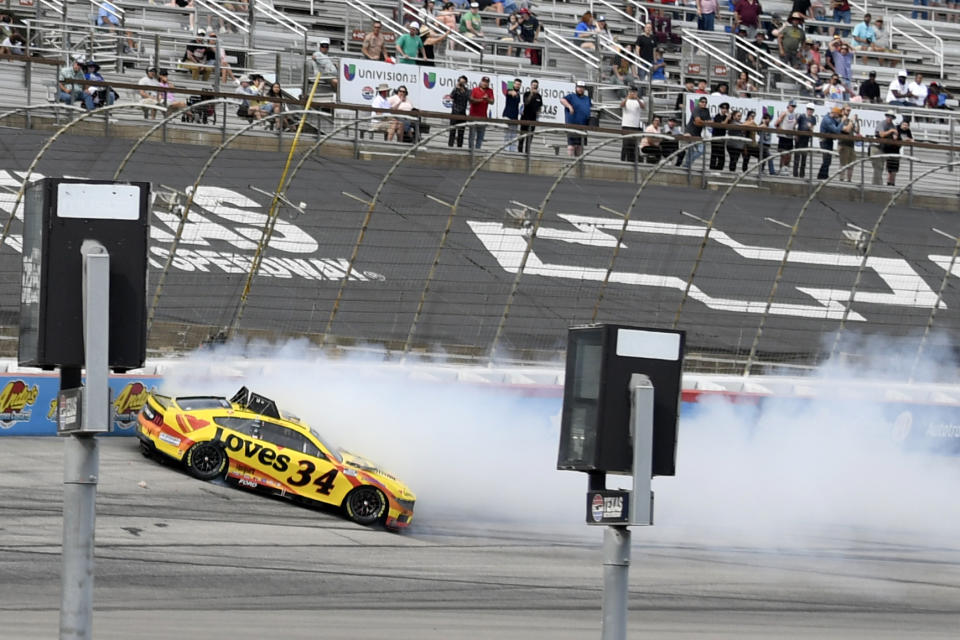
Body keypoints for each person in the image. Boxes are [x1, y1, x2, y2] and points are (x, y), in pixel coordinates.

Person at [560, 80, 592, 156]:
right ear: (576, 88)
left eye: (582, 87)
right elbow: (562, 100)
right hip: (572, 126)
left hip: (583, 126)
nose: (580, 89)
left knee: (580, 147)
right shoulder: (571, 96)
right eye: (579, 87)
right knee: (571, 146)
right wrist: (569, 106)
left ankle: (578, 165)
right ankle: (570, 162)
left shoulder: (587, 99)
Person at [816, 106, 843, 178]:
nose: (839, 116)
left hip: (828, 141)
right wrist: (842, 121)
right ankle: (821, 176)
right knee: (826, 160)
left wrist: (840, 119)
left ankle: (824, 175)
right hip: (824, 141)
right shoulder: (827, 120)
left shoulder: (831, 118)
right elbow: (836, 130)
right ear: (834, 113)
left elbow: (836, 124)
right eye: (838, 114)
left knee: (828, 160)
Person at [684, 95, 710, 168]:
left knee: (700, 150)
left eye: (705, 102)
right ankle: (687, 166)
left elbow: (709, 121)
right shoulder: (696, 109)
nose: (704, 103)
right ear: (699, 102)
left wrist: (702, 122)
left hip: (698, 133)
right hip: (690, 131)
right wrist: (704, 122)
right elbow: (697, 120)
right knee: (691, 150)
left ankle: (686, 165)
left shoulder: (706, 110)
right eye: (702, 102)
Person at [469, 75, 494, 148]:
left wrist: (487, 99)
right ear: (481, 81)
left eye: (487, 82)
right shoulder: (475, 89)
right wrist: (482, 99)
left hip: (483, 117)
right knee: (472, 136)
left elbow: (492, 102)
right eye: (484, 81)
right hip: (473, 116)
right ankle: (470, 151)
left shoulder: (490, 90)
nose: (485, 83)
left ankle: (477, 151)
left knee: (480, 137)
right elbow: (471, 100)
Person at [620, 85, 644, 162]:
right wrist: (627, 97)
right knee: (625, 144)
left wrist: (637, 98)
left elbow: (643, 106)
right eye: (631, 92)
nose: (632, 93)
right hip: (626, 125)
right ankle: (623, 160)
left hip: (635, 126)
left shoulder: (640, 101)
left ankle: (631, 160)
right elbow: (621, 105)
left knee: (633, 145)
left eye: (634, 92)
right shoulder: (626, 100)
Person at [774, 100, 799, 174]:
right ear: (789, 106)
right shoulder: (784, 113)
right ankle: (781, 168)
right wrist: (780, 130)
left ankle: (786, 169)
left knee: (789, 155)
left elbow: (794, 126)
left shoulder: (795, 114)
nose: (793, 108)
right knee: (783, 154)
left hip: (790, 137)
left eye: (794, 106)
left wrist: (795, 134)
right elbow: (776, 123)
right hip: (783, 136)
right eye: (792, 106)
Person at [518, 79, 542, 153]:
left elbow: (540, 106)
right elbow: (526, 103)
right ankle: (520, 152)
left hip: (533, 119)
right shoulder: (526, 93)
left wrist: (538, 114)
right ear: (530, 86)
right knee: (522, 137)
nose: (534, 87)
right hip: (525, 118)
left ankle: (527, 153)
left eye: (536, 86)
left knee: (530, 137)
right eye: (533, 85)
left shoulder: (539, 96)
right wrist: (531, 94)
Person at [794, 102, 817, 177]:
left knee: (804, 158)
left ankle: (801, 174)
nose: (810, 111)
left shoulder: (813, 118)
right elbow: (795, 124)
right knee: (797, 157)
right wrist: (796, 134)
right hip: (799, 138)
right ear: (807, 109)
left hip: (806, 140)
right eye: (809, 109)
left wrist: (810, 127)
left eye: (811, 110)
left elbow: (812, 129)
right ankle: (795, 174)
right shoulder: (801, 116)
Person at [837, 105, 859, 181]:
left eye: (850, 110)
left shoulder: (849, 120)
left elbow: (857, 131)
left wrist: (857, 121)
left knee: (851, 164)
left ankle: (849, 180)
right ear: (843, 110)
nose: (849, 112)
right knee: (843, 163)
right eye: (847, 110)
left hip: (851, 145)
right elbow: (846, 130)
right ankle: (841, 179)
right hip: (843, 143)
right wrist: (852, 121)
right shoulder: (841, 119)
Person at [877, 111, 900, 185]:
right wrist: (891, 131)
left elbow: (895, 137)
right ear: (886, 116)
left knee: (892, 163)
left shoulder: (892, 125)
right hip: (880, 147)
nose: (890, 118)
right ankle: (878, 183)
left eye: (891, 117)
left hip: (889, 147)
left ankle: (890, 182)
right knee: (879, 166)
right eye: (888, 116)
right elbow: (881, 134)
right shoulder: (882, 124)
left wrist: (895, 134)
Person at [448, 75, 470, 148]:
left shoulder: (467, 91)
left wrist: (463, 91)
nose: (461, 84)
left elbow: (469, 98)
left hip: (462, 114)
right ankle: (450, 146)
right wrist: (456, 89)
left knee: (461, 132)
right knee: (452, 132)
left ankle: (459, 147)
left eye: (463, 82)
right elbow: (451, 96)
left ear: (466, 83)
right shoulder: (455, 89)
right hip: (454, 113)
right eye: (460, 82)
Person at [502, 78, 522, 152]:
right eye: (516, 84)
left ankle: (512, 150)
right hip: (507, 115)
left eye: (519, 84)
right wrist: (511, 87)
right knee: (507, 134)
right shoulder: (509, 90)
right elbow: (510, 92)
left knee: (514, 135)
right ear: (513, 84)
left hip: (515, 116)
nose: (517, 85)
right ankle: (506, 149)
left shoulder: (519, 93)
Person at [710, 102, 731, 170]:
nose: (724, 110)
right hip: (715, 137)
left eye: (726, 108)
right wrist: (727, 118)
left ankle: (719, 168)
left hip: (722, 138)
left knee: (722, 156)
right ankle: (712, 168)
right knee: (714, 154)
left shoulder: (726, 117)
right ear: (720, 109)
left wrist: (729, 117)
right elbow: (722, 124)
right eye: (723, 108)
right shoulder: (717, 116)